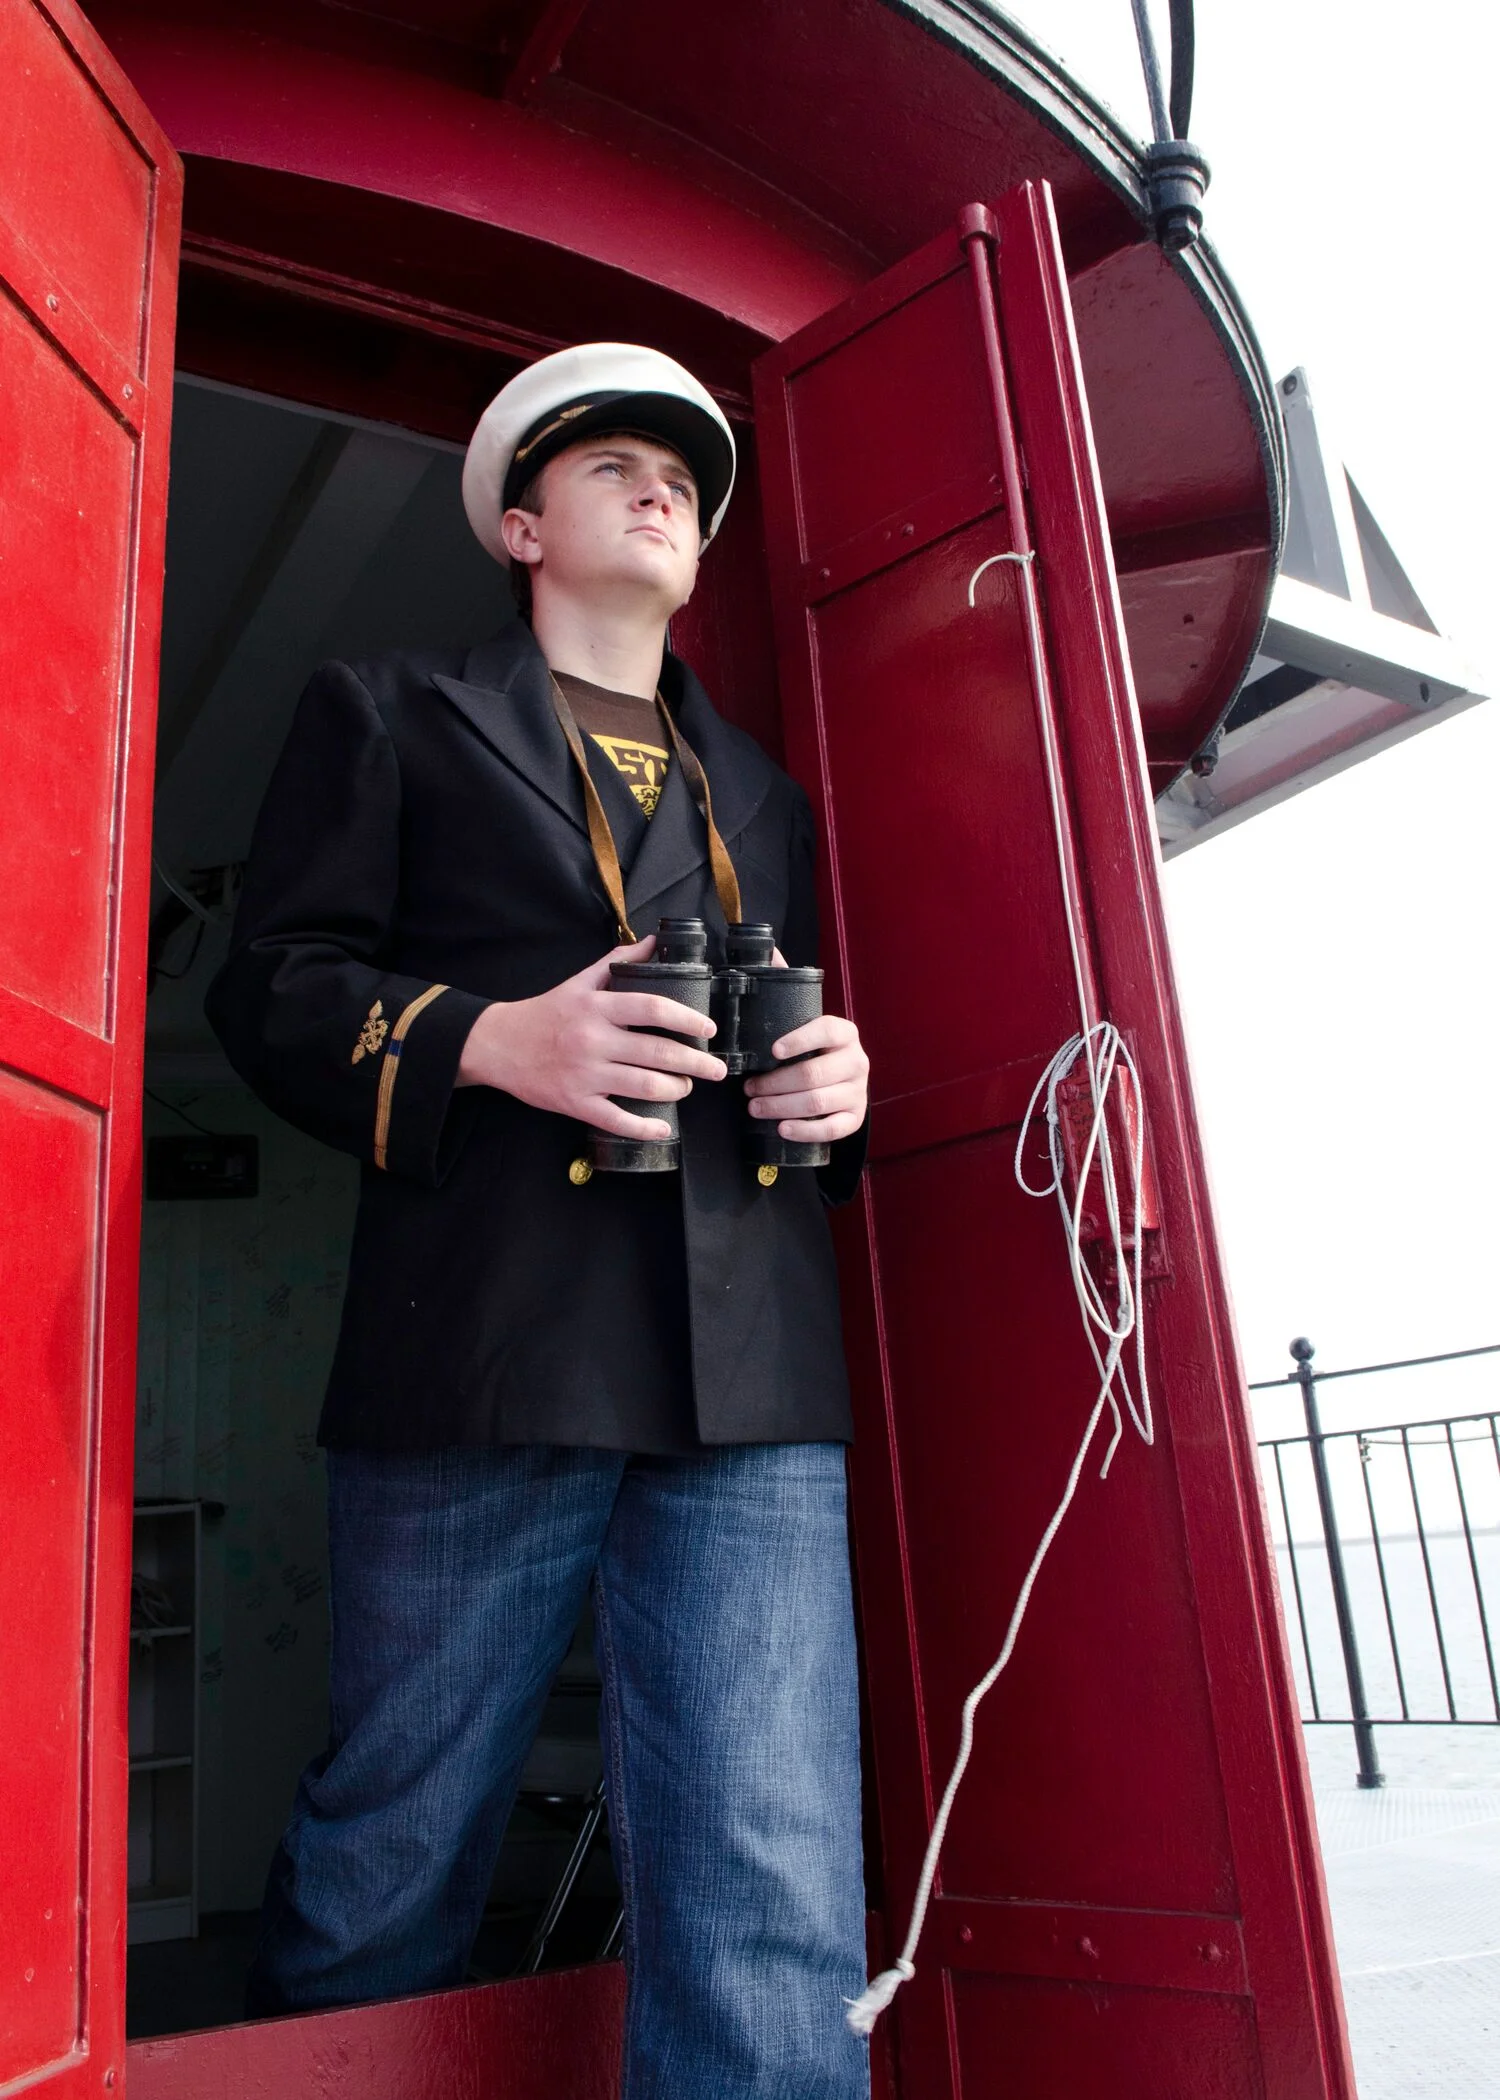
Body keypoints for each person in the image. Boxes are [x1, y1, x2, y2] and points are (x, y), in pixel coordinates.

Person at [206, 342, 872, 2098]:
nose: (663, 488)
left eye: (684, 480)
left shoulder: (770, 804)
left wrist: (837, 1097)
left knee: (777, 1873)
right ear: (520, 522)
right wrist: (494, 1037)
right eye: (613, 468)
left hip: (752, 1368)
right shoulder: (389, 709)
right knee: (391, 1850)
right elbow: (267, 992)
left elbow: (778, 1060)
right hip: (484, 1349)